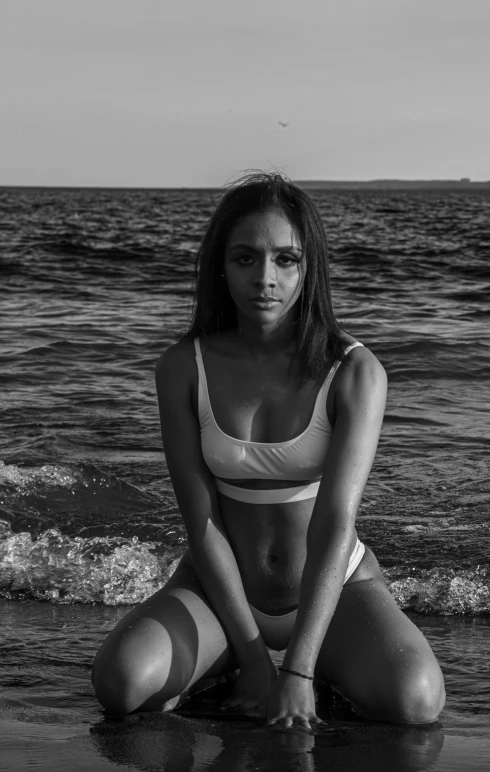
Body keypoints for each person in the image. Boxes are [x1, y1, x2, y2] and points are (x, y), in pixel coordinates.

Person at [91, 172, 445, 729]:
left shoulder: (353, 371)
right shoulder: (185, 367)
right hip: (220, 592)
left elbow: (335, 522)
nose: (266, 278)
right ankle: (237, 659)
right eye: (245, 259)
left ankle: (318, 668)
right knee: (121, 684)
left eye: (286, 259)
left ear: (310, 267)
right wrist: (256, 657)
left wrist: (298, 671)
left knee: (416, 702)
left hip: (334, 592)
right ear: (220, 266)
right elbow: (201, 520)